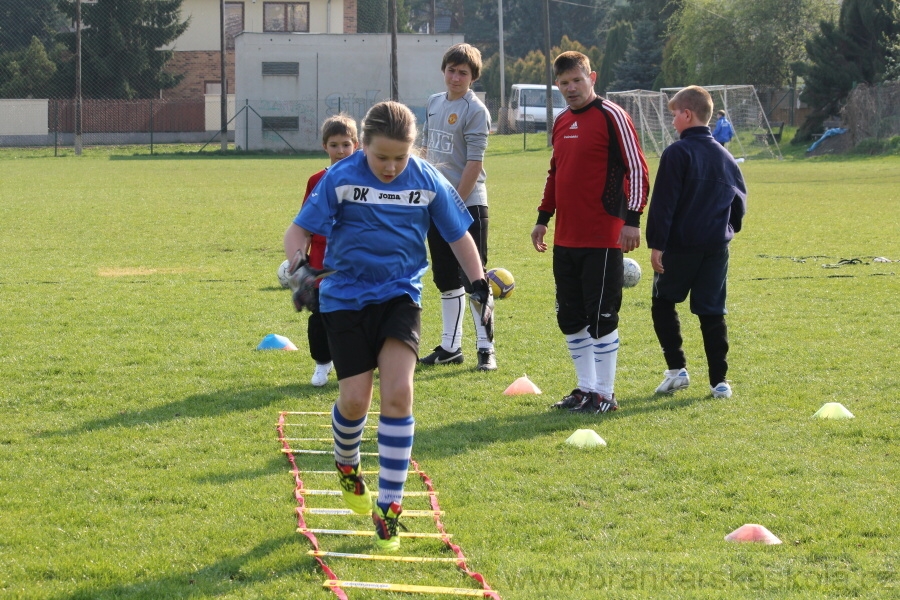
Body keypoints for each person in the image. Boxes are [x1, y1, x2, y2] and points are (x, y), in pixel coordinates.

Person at [283, 101, 493, 551]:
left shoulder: (427, 179)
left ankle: (390, 505)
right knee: (356, 399)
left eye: (400, 157)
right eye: (382, 158)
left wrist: (478, 284)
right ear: (364, 147)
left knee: (399, 392)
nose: (391, 167)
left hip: (399, 296)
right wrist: (300, 268)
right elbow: (297, 232)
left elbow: (458, 234)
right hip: (343, 299)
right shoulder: (341, 176)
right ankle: (346, 462)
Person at [530, 51, 649, 414]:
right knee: (570, 316)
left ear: (592, 77)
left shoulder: (612, 116)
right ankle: (585, 389)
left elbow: (639, 170)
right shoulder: (562, 121)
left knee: (601, 316)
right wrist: (543, 217)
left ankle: (605, 393)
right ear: (557, 85)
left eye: (576, 80)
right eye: (564, 83)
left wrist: (632, 220)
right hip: (566, 237)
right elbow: (556, 172)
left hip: (603, 235)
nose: (570, 88)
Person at [646, 85, 747, 399]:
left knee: (663, 303)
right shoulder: (726, 156)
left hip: (681, 246)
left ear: (687, 114)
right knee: (712, 312)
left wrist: (657, 243)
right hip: (717, 247)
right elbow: (739, 202)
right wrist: (726, 229)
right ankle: (720, 382)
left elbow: (664, 202)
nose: (673, 121)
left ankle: (677, 370)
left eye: (674, 114)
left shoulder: (677, 152)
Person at [419, 43, 496, 371]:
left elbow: (473, 164)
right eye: (451, 70)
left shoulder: (475, 110)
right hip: (436, 205)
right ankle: (450, 347)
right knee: (445, 279)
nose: (455, 77)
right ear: (443, 70)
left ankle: (486, 349)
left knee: (474, 280)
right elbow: (424, 151)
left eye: (463, 72)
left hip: (468, 205)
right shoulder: (434, 103)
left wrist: (453, 204)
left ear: (472, 77)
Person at [296, 113, 359, 387]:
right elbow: (305, 225)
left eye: (346, 144)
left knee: (356, 315)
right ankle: (322, 363)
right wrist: (300, 263)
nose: (341, 150)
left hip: (356, 260)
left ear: (356, 144)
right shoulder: (315, 180)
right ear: (325, 146)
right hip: (322, 260)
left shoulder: (368, 180)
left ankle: (357, 363)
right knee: (320, 316)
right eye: (334, 145)